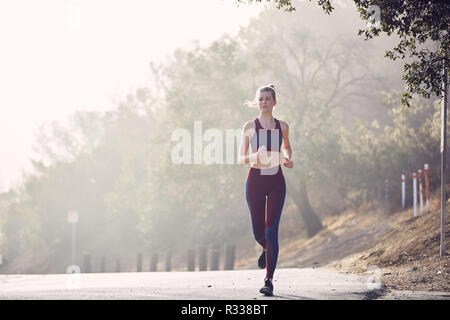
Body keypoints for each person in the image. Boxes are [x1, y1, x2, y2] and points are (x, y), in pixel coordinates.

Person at [238, 84, 293, 296]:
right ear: (257, 102)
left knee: (271, 232)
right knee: (259, 233)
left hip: (276, 180)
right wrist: (255, 156)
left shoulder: (283, 127)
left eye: (268, 98)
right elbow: (241, 158)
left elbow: (286, 146)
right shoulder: (249, 126)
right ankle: (266, 249)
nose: (263, 102)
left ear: (274, 102)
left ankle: (269, 280)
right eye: (260, 99)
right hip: (255, 182)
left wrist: (288, 158)